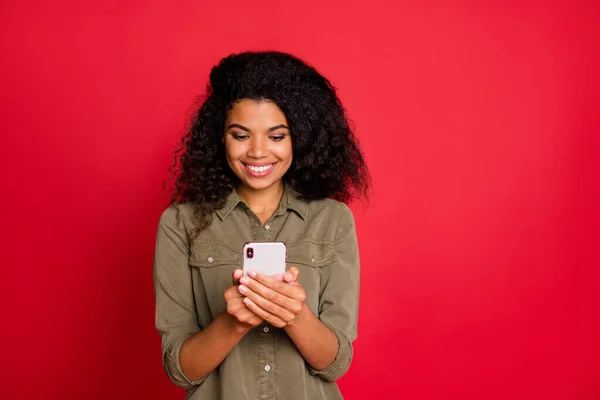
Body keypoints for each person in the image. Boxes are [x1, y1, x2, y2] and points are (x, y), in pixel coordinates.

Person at [153, 51, 370, 400]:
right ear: (218, 137)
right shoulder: (180, 224)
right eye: (240, 136)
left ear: (301, 138)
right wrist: (234, 322)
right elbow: (181, 369)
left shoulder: (333, 220)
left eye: (276, 136)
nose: (257, 152)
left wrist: (295, 316)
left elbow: (335, 363)